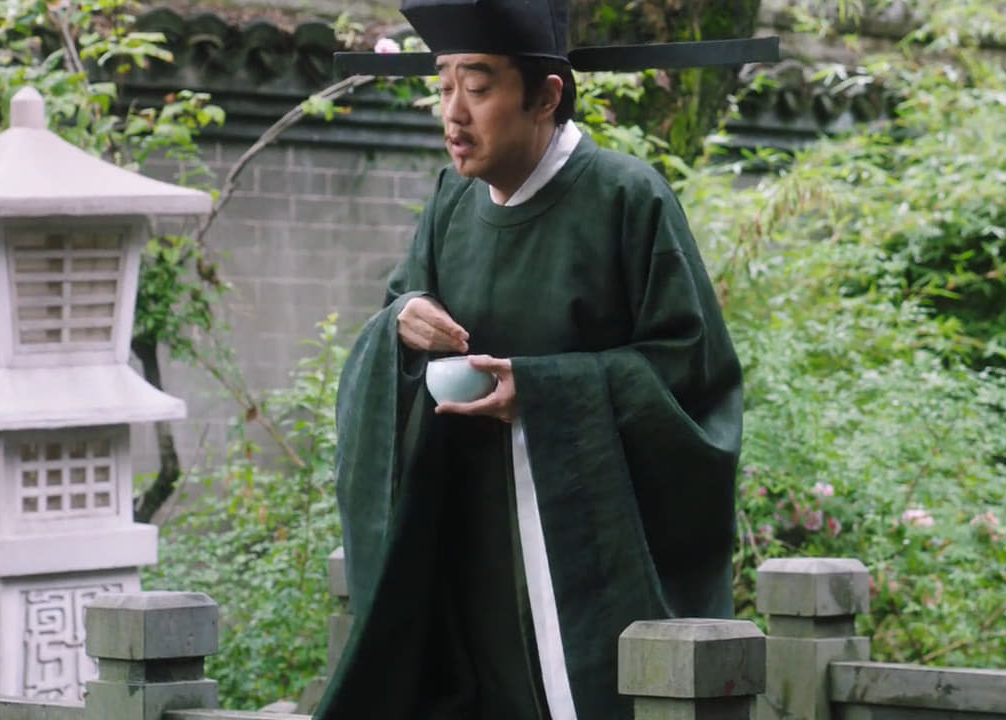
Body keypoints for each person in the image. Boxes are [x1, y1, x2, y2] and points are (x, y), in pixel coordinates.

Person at [315, 3, 775, 718]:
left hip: (588, 552)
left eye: (477, 87)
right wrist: (401, 325)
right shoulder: (451, 202)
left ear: (546, 96)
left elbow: (692, 377)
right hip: (474, 541)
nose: (453, 114)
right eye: (443, 86)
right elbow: (401, 311)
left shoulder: (627, 197)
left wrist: (546, 393)